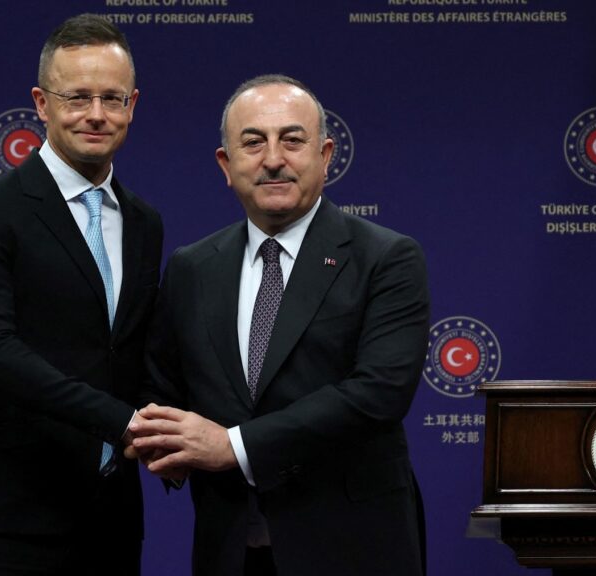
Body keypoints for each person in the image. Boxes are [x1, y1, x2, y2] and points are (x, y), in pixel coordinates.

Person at [130, 74, 429, 576]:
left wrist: (233, 447)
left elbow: (378, 393)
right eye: (253, 143)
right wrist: (158, 437)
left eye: (292, 140)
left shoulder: (386, 258)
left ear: (326, 156)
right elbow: (162, 387)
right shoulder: (191, 267)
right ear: (226, 165)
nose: (273, 159)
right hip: (230, 550)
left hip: (353, 550)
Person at [0, 14, 162, 576]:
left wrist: (174, 433)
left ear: (132, 105)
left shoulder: (144, 222)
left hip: (112, 525)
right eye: (77, 97)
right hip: (7, 524)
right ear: (41, 103)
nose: (96, 114)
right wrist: (124, 422)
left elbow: (131, 354)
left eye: (112, 98)